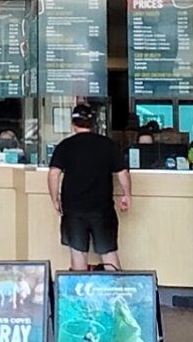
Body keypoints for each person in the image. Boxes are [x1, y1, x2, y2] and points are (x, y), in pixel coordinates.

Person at [48, 101, 131, 272]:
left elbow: (53, 174)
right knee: (109, 255)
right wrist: (127, 195)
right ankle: (118, 293)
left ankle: (80, 297)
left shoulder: (65, 146)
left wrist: (55, 199)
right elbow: (122, 173)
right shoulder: (107, 144)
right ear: (93, 123)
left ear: (72, 123)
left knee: (78, 255)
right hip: (102, 209)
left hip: (74, 210)